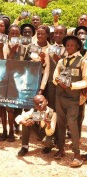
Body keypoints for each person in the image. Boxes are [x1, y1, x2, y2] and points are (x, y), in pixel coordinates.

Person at [53, 35, 87, 167]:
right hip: (60, 96)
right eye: (67, 45)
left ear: (78, 46)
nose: (69, 47)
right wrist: (58, 82)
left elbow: (85, 80)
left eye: (72, 45)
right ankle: (61, 149)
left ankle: (77, 154)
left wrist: (72, 86)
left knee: (72, 124)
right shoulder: (62, 61)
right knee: (61, 123)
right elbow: (55, 75)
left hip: (73, 98)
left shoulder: (83, 61)